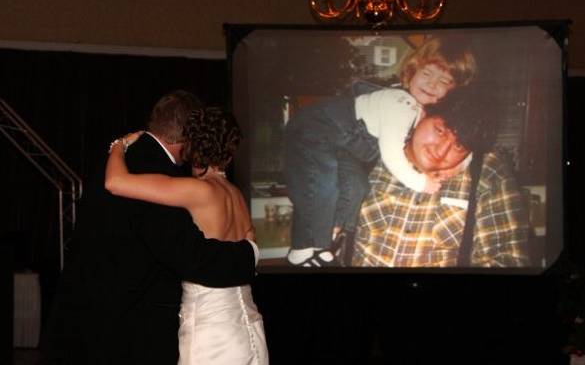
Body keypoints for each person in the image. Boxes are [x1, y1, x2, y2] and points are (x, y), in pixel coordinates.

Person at [41, 90, 257, 365]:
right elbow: (189, 256)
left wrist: (118, 144)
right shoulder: (224, 191)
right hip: (130, 327)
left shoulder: (125, 160)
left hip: (99, 318)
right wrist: (250, 256)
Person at [284, 36, 477, 266]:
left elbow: (467, 138)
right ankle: (302, 249)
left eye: (444, 81)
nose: (432, 84)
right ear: (412, 71)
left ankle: (324, 242)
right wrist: (420, 183)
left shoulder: (418, 112)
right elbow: (391, 154)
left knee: (357, 186)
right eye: (426, 74)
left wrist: (460, 162)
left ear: (453, 91)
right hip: (316, 129)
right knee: (323, 183)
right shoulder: (401, 104)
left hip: (340, 144)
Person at [104, 107, 268, 365]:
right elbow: (249, 251)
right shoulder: (237, 196)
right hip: (248, 328)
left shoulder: (198, 191)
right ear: (229, 152)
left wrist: (119, 144)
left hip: (211, 332)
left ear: (191, 146)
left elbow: (115, 182)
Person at [351, 89, 530, 267]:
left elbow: (507, 258)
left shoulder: (486, 174)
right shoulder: (367, 150)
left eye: (459, 146)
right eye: (440, 130)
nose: (441, 151)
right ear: (422, 115)